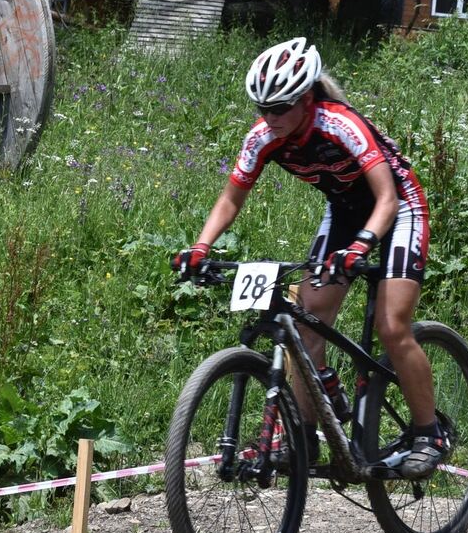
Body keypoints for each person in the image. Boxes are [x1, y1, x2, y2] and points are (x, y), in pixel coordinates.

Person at [173, 37, 445, 479]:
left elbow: (387, 199)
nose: (270, 119)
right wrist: (200, 248)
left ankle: (429, 431)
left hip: (397, 207)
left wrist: (360, 248)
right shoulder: (263, 137)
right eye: (262, 109)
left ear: (305, 99)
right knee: (304, 319)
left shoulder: (340, 124)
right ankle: (311, 424)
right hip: (343, 212)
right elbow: (230, 201)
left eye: (279, 108)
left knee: (392, 325)